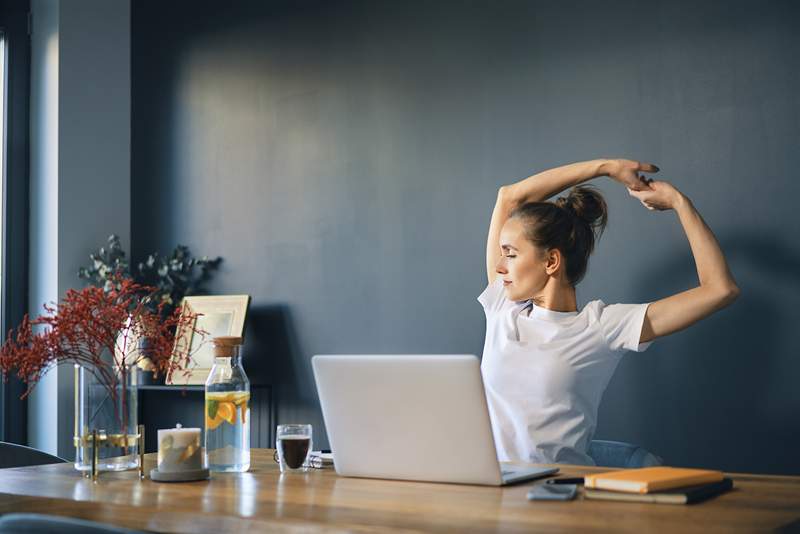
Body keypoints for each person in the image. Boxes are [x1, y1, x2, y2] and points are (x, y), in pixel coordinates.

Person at [479, 158, 739, 465]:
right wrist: (606, 167)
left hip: (561, 495)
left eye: (510, 254)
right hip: (494, 491)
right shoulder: (502, 307)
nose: (499, 266)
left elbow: (720, 289)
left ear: (551, 262)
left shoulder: (600, 326)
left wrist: (680, 203)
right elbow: (509, 196)